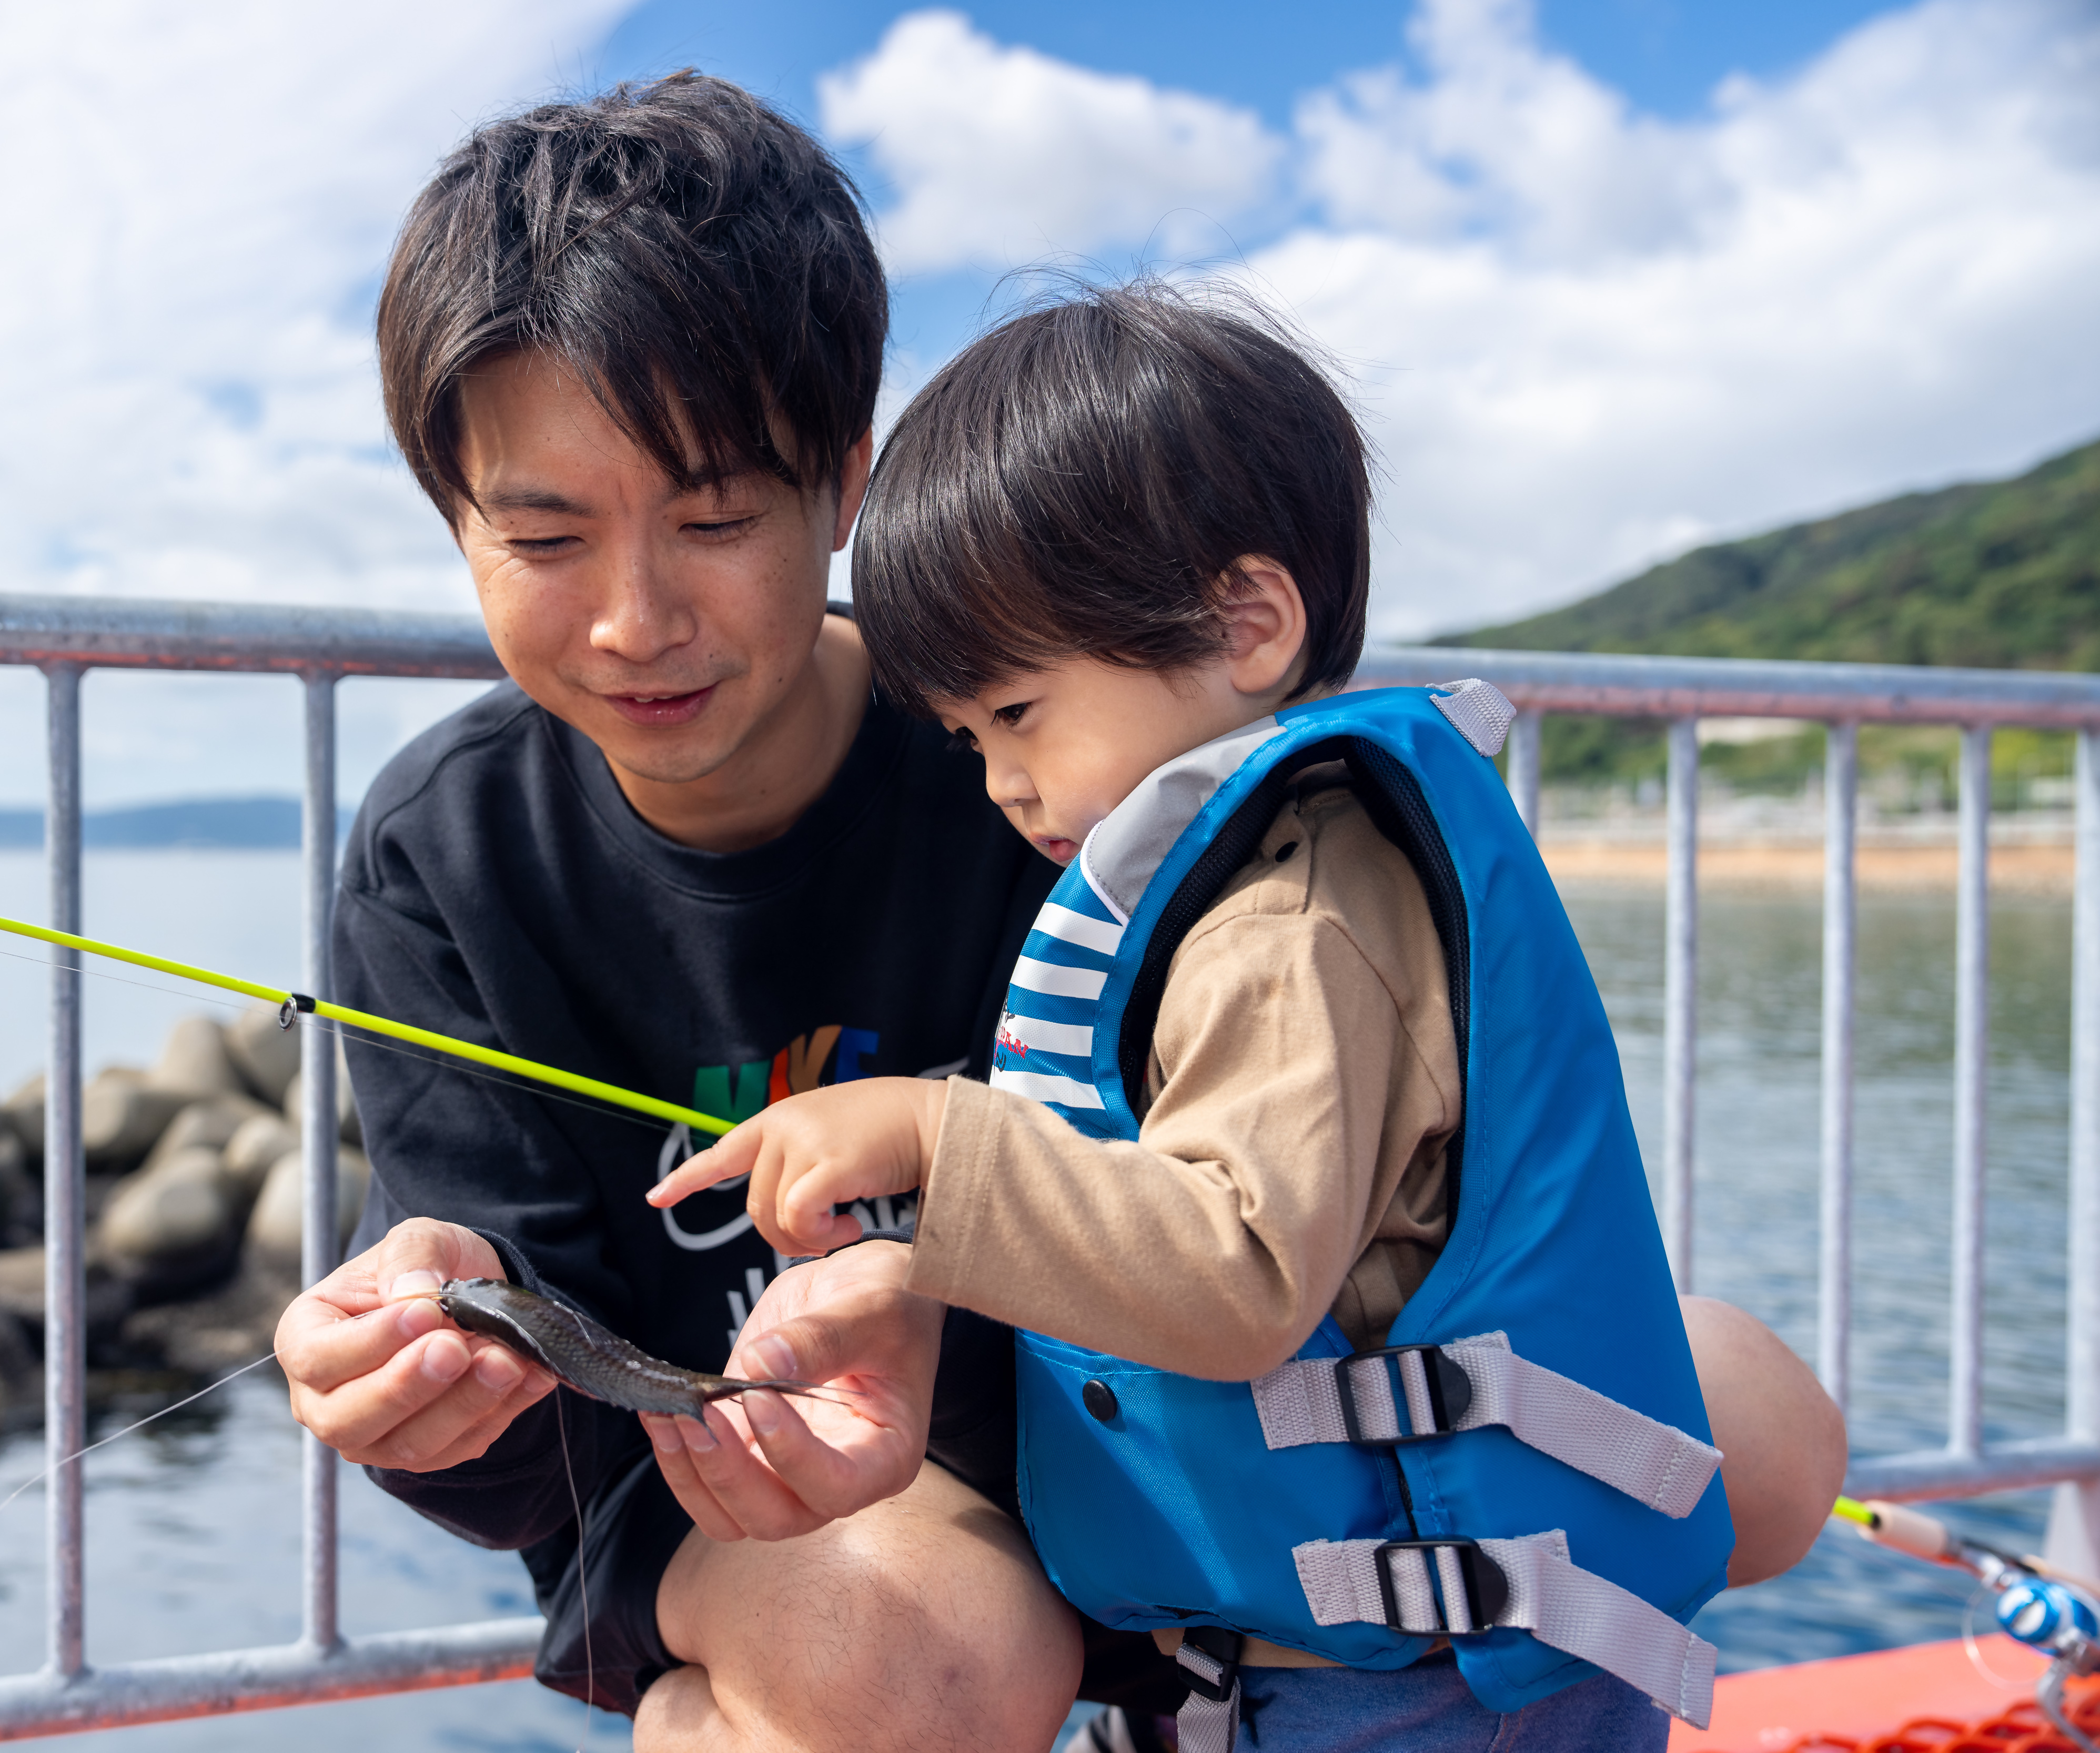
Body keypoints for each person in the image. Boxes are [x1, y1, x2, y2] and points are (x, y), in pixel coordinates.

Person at [275, 74, 1845, 1753]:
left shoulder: (1071, 747)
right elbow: (531, 1437)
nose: (638, 617)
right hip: (740, 1490)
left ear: (845, 483)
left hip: (1153, 1421)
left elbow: (1270, 1222)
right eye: (543, 535)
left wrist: (927, 1273)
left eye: (718, 518)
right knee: (936, 1656)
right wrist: (421, 1387)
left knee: (1741, 1415)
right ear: (456, 520)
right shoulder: (442, 859)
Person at [648, 283, 1839, 1750]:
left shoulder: (1292, 924)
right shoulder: (1262, 887)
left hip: (1414, 1695)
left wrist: (934, 1141)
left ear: (1247, 622)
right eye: (965, 741)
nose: (997, 784)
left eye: (1018, 715)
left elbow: (1240, 1272)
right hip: (1323, 1661)